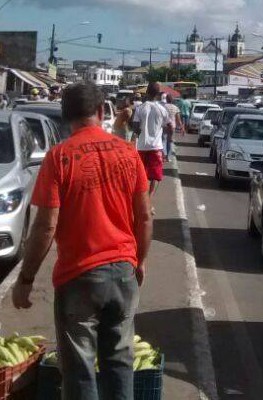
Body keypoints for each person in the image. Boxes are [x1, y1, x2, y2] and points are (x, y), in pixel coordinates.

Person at [11, 81, 152, 400]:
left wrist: (26, 279)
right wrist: (139, 260)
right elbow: (144, 217)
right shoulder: (128, 153)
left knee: (79, 369)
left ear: (65, 117)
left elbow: (46, 226)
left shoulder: (59, 157)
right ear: (101, 112)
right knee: (119, 362)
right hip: (122, 271)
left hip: (78, 277)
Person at [132, 82, 172, 203]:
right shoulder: (162, 109)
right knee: (155, 176)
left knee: (141, 174)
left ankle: (140, 200)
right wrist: (167, 136)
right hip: (156, 147)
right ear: (158, 94)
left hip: (142, 146)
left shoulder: (140, 108)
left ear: (147, 92)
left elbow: (135, 127)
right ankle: (149, 199)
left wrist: (141, 132)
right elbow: (169, 126)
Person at [160, 94, 182, 162]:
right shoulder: (175, 108)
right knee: (169, 141)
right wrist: (181, 127)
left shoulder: (163, 106)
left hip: (164, 125)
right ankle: (168, 157)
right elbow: (178, 119)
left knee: (163, 140)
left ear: (166, 99)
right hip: (172, 126)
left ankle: (163, 156)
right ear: (172, 100)